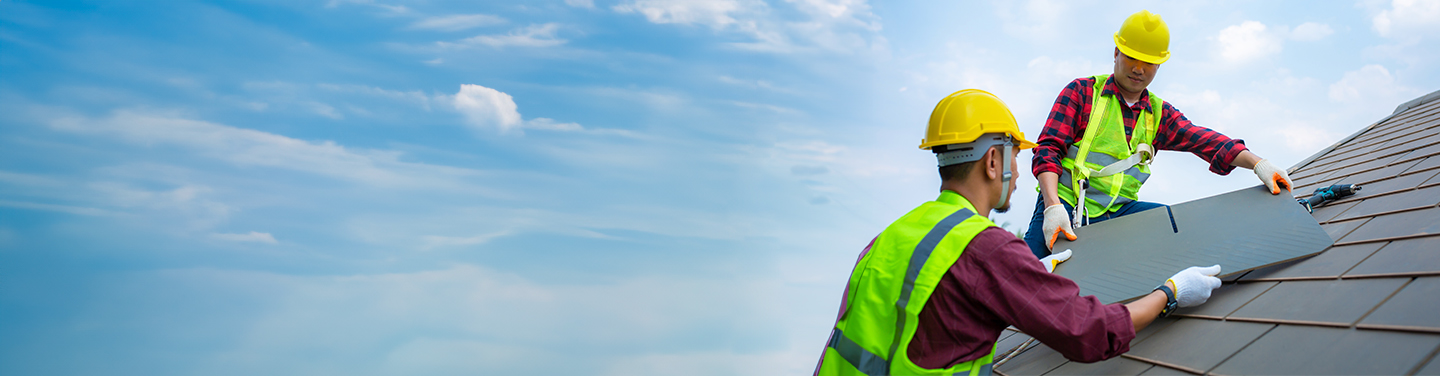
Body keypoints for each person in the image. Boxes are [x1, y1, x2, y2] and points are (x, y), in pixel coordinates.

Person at [814, 89, 1224, 375]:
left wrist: (1028, 278)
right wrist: (1170, 292)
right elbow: (1090, 333)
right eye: (1017, 154)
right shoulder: (986, 248)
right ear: (994, 161)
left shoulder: (892, 235)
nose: (1017, 173)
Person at [1022, 10, 1295, 260]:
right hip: (1065, 207)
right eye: (1131, 57)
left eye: (1149, 62)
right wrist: (1052, 207)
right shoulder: (1083, 93)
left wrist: (1259, 164)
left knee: (1173, 225)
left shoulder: (1158, 113)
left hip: (1120, 212)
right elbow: (1048, 150)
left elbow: (1203, 140)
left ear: (1159, 66)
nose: (1138, 68)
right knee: (1025, 280)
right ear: (1116, 53)